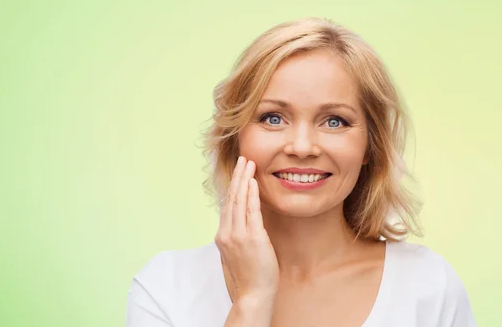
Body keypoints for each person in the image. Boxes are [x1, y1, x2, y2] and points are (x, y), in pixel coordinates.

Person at [125, 17, 476, 327]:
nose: (303, 146)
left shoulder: (429, 286)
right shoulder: (165, 288)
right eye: (273, 118)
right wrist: (253, 300)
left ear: (370, 146)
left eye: (334, 121)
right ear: (235, 139)